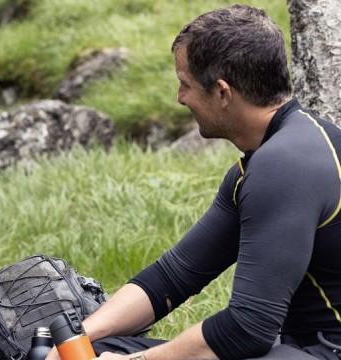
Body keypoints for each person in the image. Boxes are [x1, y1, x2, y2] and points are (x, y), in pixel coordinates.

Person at [48, 4, 341, 360]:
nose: (179, 97)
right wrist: (78, 338)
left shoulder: (284, 167)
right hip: (301, 346)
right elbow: (172, 278)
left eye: (185, 84)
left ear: (222, 92)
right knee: (96, 349)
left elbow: (249, 329)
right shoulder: (275, 154)